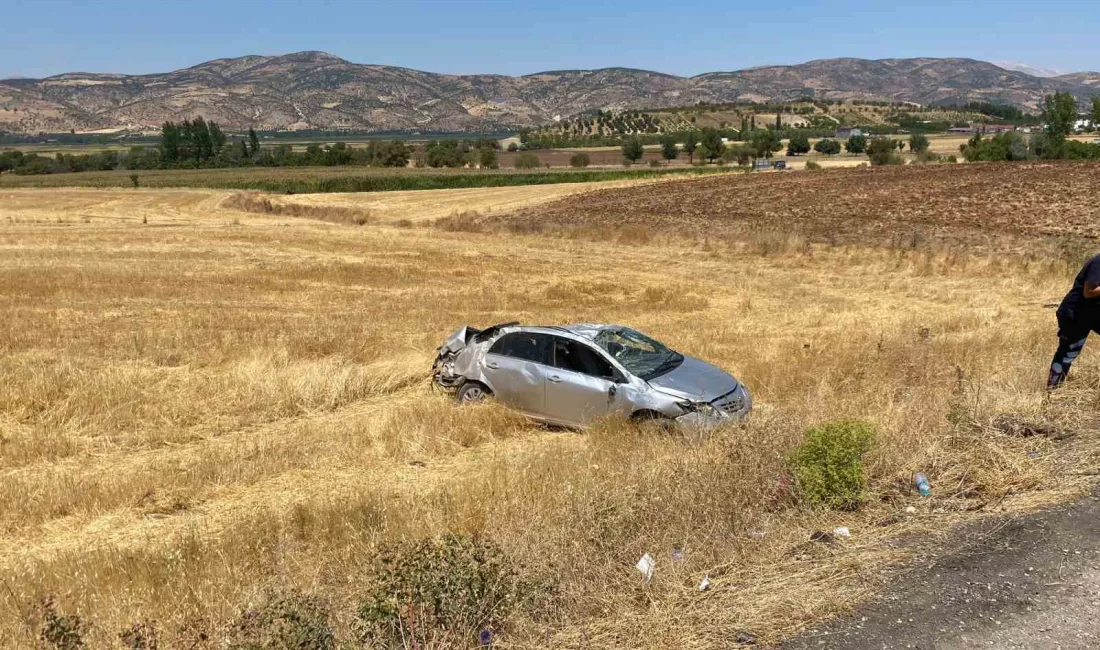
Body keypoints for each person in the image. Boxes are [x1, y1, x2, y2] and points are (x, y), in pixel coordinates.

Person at [1048, 254, 1100, 389]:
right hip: (1075, 314)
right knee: (1067, 354)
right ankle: (1052, 393)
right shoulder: (1098, 262)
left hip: (1094, 314)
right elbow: (1089, 291)